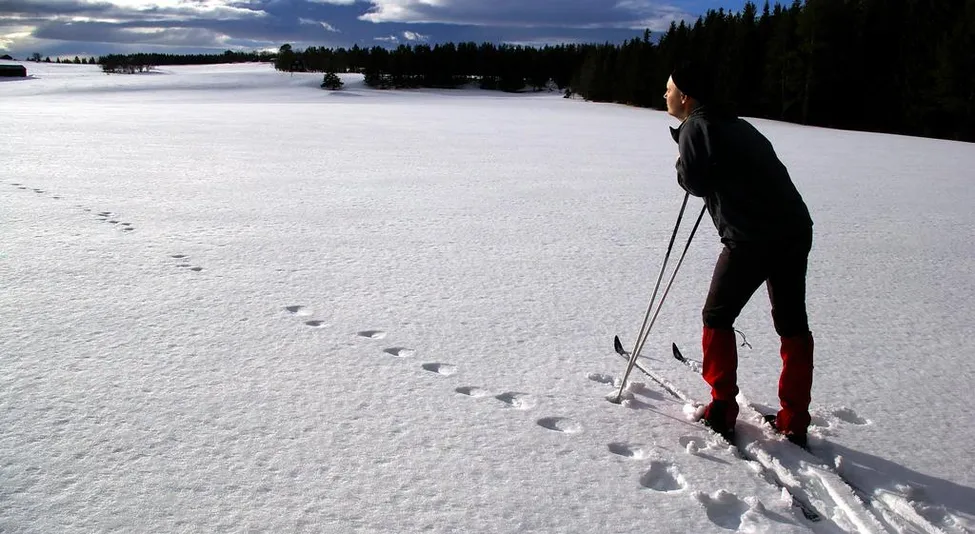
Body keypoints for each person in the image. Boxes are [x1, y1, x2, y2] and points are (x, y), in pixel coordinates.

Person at [664, 62, 815, 447]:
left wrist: (683, 158)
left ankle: (721, 409)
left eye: (669, 89)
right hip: (794, 230)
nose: (665, 95)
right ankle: (795, 418)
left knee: (716, 316)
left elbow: (695, 182)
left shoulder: (696, 126)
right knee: (792, 323)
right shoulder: (737, 124)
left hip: (751, 239)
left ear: (686, 96)